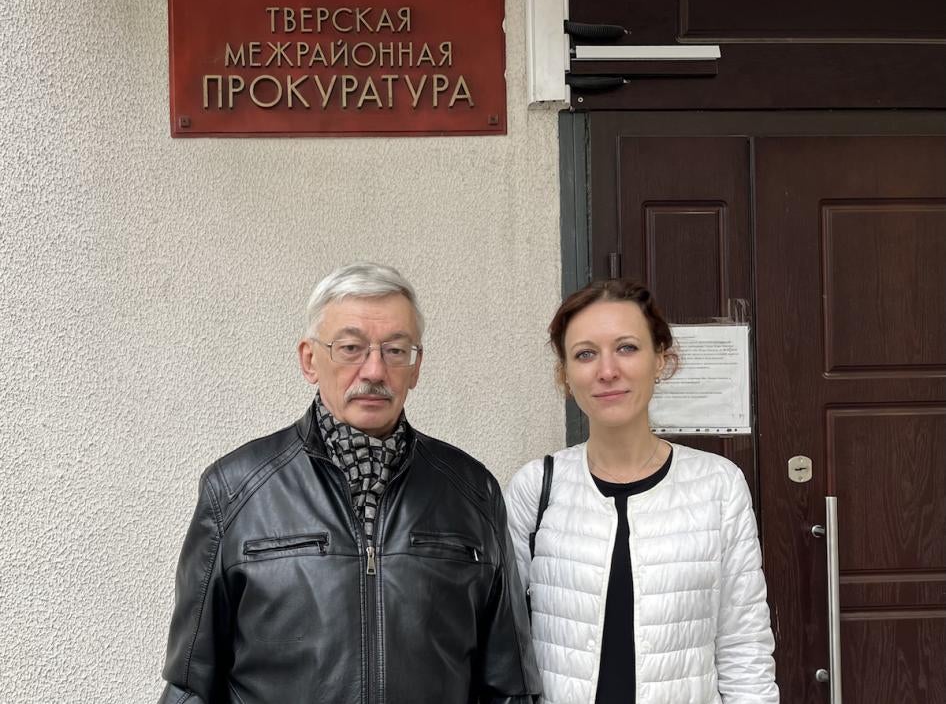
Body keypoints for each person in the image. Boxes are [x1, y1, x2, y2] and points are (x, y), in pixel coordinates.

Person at [159, 262, 540, 704]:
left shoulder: (472, 492)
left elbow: (508, 687)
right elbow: (191, 685)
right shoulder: (235, 490)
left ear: (416, 367)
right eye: (351, 347)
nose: (374, 371)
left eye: (396, 351)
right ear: (309, 359)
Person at [505, 279, 778, 704]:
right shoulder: (536, 487)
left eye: (627, 348)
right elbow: (501, 641)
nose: (607, 370)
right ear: (565, 375)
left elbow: (744, 646)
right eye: (585, 354)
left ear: (661, 361)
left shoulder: (718, 485)